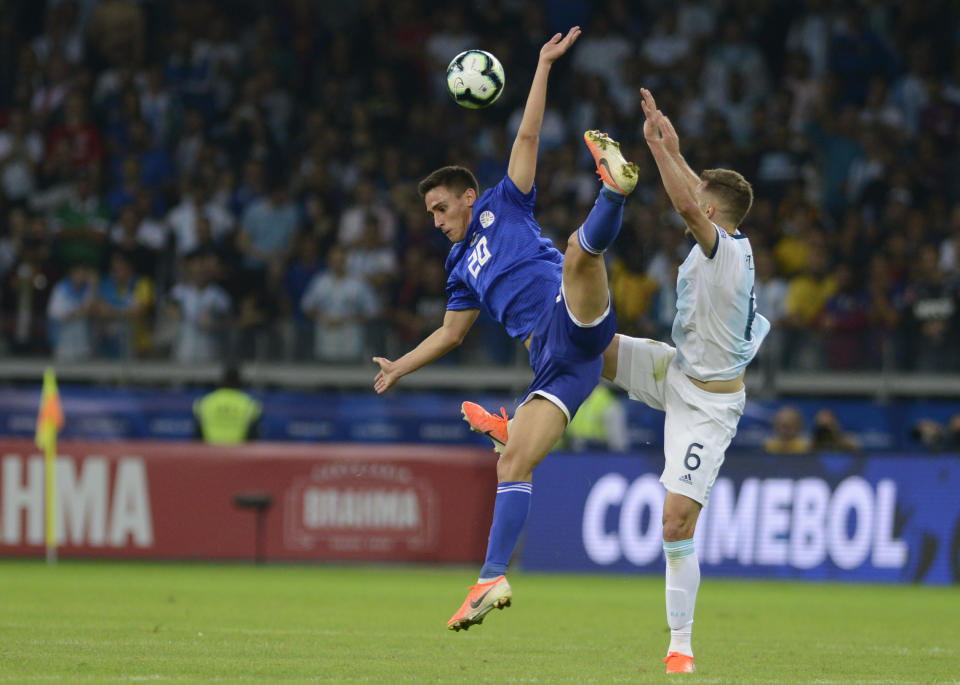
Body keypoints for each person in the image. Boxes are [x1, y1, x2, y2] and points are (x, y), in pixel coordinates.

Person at [463, 88, 769, 674]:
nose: (690, 199)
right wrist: (668, 144)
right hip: (678, 369)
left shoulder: (724, 251)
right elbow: (695, 199)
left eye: (700, 197)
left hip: (708, 404)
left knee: (676, 520)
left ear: (712, 212)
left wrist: (656, 156)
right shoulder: (722, 240)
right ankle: (522, 425)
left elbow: (687, 207)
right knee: (585, 344)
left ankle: (681, 645)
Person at [371, 27, 639, 632]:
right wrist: (398, 366)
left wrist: (543, 66)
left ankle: (614, 195)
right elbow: (449, 335)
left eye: (442, 207)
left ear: (469, 197)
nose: (436, 220)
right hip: (558, 362)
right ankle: (491, 576)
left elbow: (528, 134)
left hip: (567, 317)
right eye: (430, 214)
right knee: (513, 466)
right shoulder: (458, 267)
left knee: (576, 255)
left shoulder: (503, 203)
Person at [193, 365, 262, 445]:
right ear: (240, 381)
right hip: (239, 455)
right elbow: (253, 440)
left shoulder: (204, 403)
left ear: (222, 380)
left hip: (210, 455)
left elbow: (197, 439)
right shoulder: (250, 405)